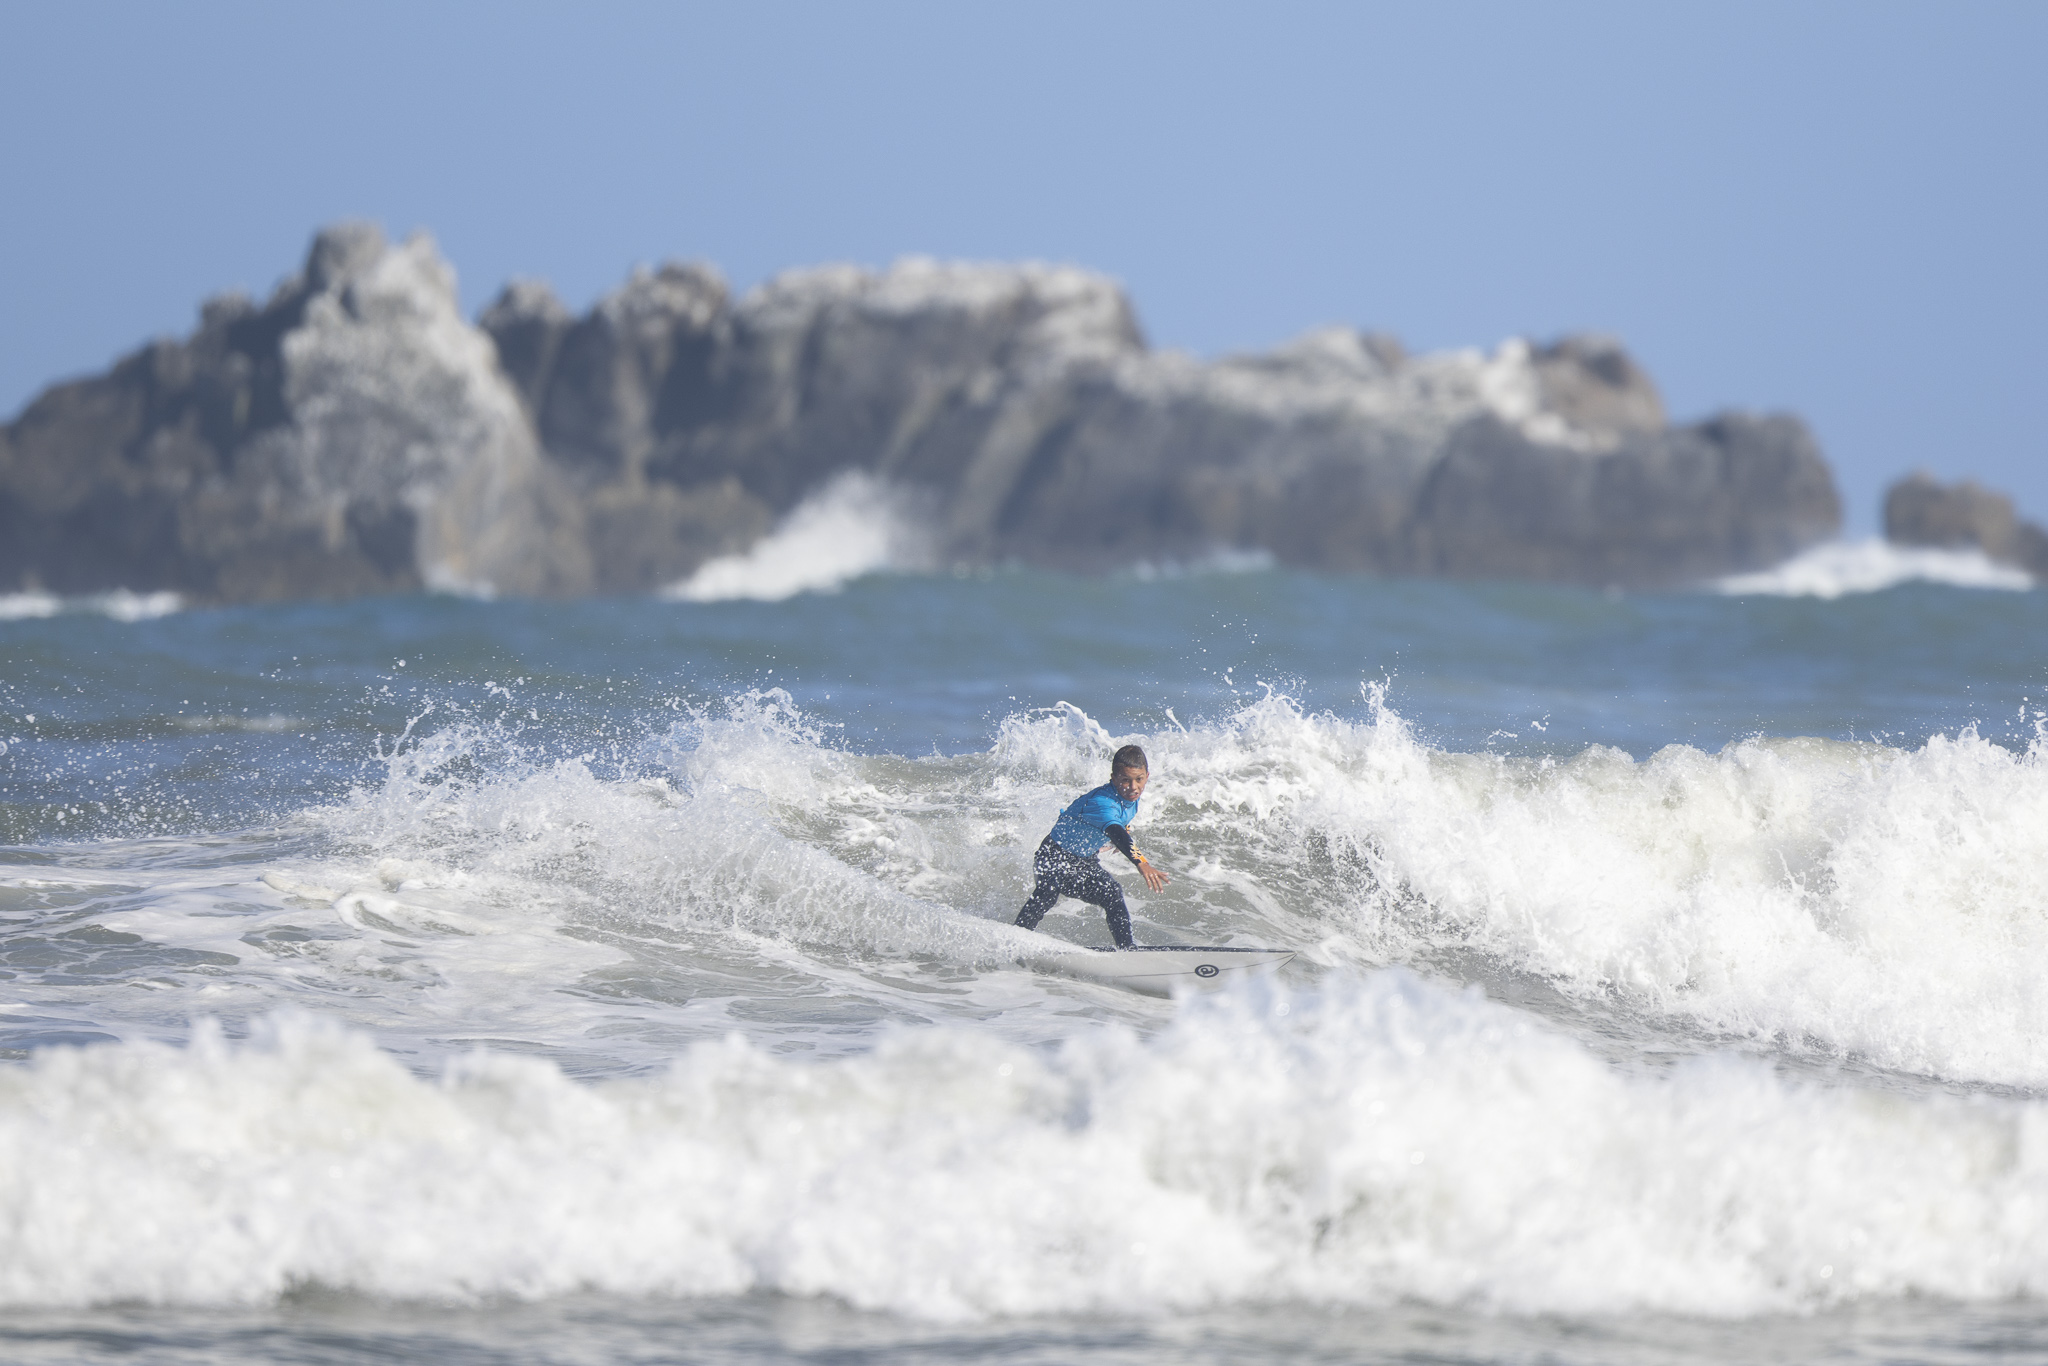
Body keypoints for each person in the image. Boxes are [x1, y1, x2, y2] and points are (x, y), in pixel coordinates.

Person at [1015, 744, 1170, 949]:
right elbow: (1115, 830)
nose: (1133, 787)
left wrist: (1123, 830)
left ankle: (1127, 950)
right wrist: (1141, 862)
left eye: (1139, 779)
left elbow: (1118, 824)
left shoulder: (1129, 796)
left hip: (1084, 860)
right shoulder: (1101, 802)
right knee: (1048, 893)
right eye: (1125, 780)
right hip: (1054, 855)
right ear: (1113, 778)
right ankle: (1014, 940)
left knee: (1112, 893)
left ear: (1147, 776)